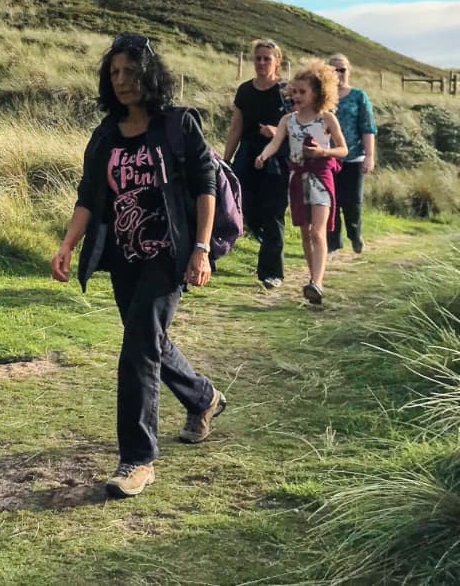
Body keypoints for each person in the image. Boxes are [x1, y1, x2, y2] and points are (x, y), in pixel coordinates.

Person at [51, 33, 227, 499]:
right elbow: (89, 196)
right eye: (114, 73)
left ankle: (137, 460)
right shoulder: (105, 133)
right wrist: (68, 243)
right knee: (150, 341)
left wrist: (202, 249)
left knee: (135, 352)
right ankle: (203, 397)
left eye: (130, 71)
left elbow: (205, 185)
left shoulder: (177, 125)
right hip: (123, 257)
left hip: (169, 255)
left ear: (149, 73)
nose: (122, 80)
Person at [255, 59, 348, 305]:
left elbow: (343, 150)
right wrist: (263, 156)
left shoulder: (327, 119)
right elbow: (276, 143)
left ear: (318, 93)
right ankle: (312, 279)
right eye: (293, 91)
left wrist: (322, 153)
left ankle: (317, 282)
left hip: (321, 177)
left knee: (318, 232)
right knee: (305, 233)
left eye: (302, 92)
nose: (296, 96)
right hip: (296, 178)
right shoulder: (288, 120)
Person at [224, 39, 291, 289]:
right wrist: (226, 160)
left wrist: (278, 131)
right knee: (245, 208)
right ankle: (266, 240)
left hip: (278, 158)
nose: (262, 63)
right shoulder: (244, 91)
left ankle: (271, 273)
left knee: (273, 214)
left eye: (267, 58)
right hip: (247, 156)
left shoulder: (287, 90)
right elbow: (236, 127)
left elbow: (300, 123)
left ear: (277, 61)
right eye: (258, 58)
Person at [326, 54, 376, 254]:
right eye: (333, 70)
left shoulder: (358, 96)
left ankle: (355, 235)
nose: (338, 73)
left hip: (354, 156)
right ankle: (333, 244)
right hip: (327, 156)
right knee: (331, 202)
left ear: (349, 71)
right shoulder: (322, 97)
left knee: (352, 201)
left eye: (342, 69)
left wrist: (370, 156)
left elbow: (368, 127)